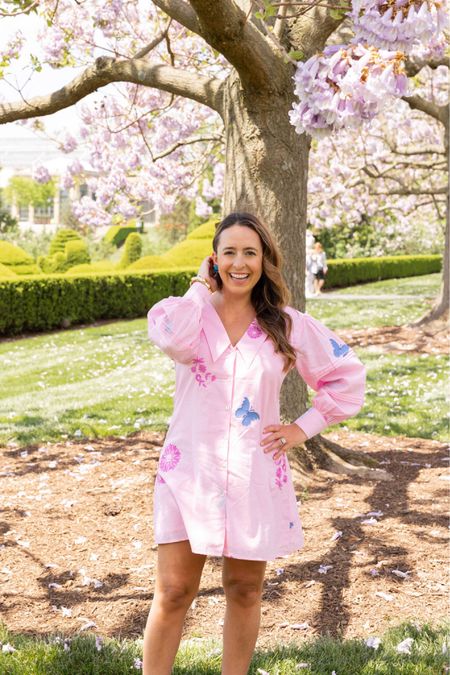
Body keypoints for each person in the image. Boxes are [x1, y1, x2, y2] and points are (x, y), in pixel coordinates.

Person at [144, 212, 365, 674]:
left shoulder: (286, 324)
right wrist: (200, 288)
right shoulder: (186, 313)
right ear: (214, 259)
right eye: (229, 253)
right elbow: (168, 339)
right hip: (191, 473)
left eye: (250, 253)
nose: (239, 263)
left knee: (244, 590)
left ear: (265, 260)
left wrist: (300, 429)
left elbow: (346, 378)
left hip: (253, 472)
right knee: (173, 592)